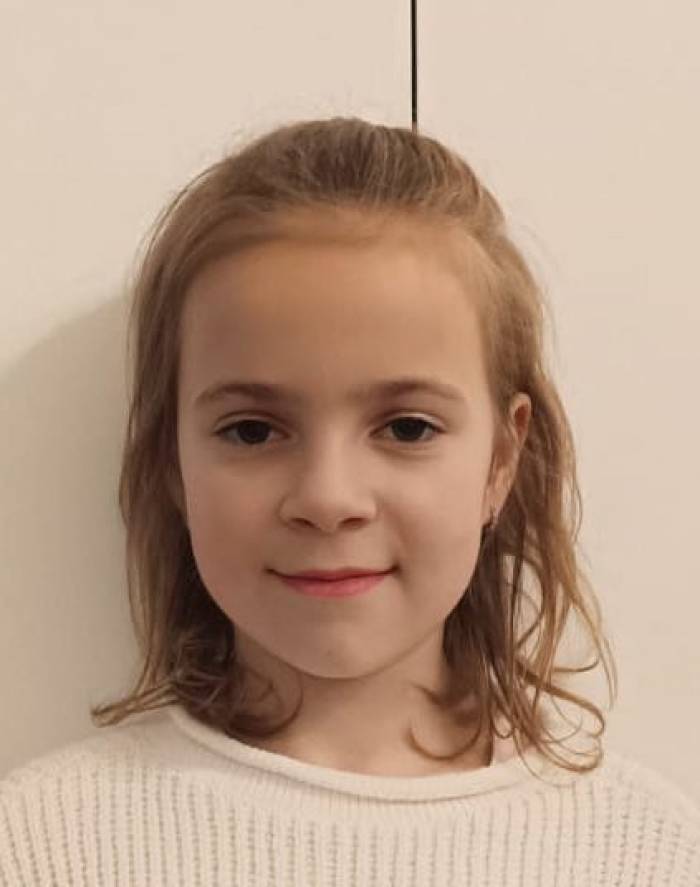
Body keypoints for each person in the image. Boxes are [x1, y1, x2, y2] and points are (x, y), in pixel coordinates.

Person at [1, 117, 698, 885]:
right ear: (173, 460)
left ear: (501, 459)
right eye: (252, 430)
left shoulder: (648, 855)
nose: (328, 498)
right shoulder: (42, 844)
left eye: (406, 427)